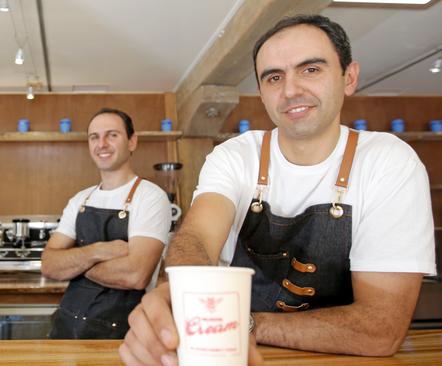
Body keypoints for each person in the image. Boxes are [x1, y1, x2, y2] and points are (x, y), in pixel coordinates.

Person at [120, 14, 436, 365]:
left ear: (349, 77)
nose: (290, 90)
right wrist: (179, 294)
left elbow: (380, 328)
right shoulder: (236, 156)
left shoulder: (388, 162)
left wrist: (242, 324)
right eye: (274, 77)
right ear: (261, 93)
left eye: (311, 69)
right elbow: (196, 238)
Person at [41, 108, 171, 339]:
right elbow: (49, 265)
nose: (101, 144)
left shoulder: (150, 197)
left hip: (120, 335)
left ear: (132, 142)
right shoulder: (80, 199)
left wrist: (75, 265)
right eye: (94, 137)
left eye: (112, 135)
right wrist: (100, 251)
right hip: (65, 329)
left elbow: (136, 274)